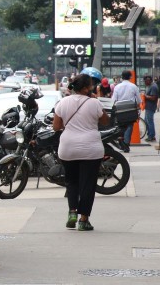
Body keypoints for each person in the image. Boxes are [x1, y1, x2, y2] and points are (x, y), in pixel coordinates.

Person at [53, 74, 111, 231]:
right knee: (88, 185)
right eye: (91, 85)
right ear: (86, 88)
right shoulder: (94, 102)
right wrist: (95, 100)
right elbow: (105, 121)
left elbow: (56, 126)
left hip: (68, 148)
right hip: (91, 149)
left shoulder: (63, 102)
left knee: (71, 182)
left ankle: (72, 212)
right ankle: (83, 220)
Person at [112, 70, 141, 149]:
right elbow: (138, 100)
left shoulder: (117, 87)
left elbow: (113, 100)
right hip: (131, 109)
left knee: (120, 125)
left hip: (119, 109)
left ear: (122, 77)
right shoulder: (134, 86)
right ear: (130, 77)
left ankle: (121, 140)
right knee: (129, 125)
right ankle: (126, 142)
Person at [143, 75, 159, 142]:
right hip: (148, 106)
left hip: (150, 106)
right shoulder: (149, 86)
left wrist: (145, 96)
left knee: (150, 122)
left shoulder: (153, 87)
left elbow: (153, 97)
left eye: (145, 81)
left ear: (149, 80)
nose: (144, 83)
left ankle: (151, 136)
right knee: (146, 121)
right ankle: (150, 134)